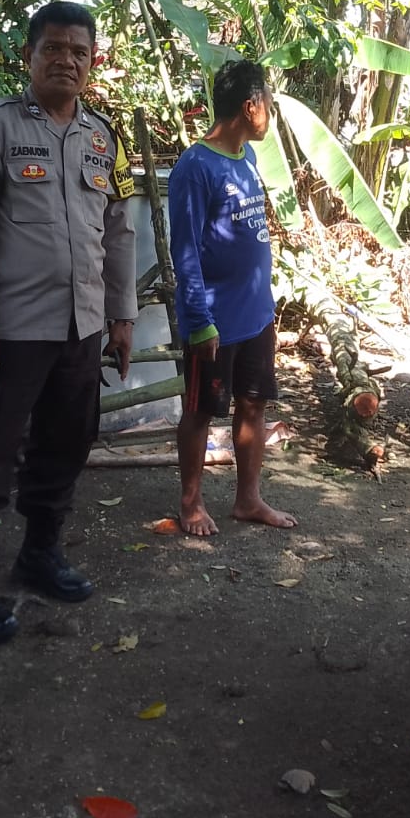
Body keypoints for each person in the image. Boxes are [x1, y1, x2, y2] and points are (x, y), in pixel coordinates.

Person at [0, 0, 138, 644]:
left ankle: (39, 552)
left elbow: (119, 231)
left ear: (93, 62)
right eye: (53, 48)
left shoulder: (104, 139)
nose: (66, 61)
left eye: (79, 51)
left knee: (66, 442)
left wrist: (122, 314)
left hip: (81, 328)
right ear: (28, 56)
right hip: (12, 329)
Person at [168, 59, 295, 538]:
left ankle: (248, 500)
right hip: (214, 321)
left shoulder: (248, 159)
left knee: (254, 405)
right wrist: (199, 321)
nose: (270, 116)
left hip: (255, 315)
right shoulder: (194, 167)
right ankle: (191, 502)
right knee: (200, 411)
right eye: (269, 105)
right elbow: (185, 253)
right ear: (250, 106)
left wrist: (266, 304)